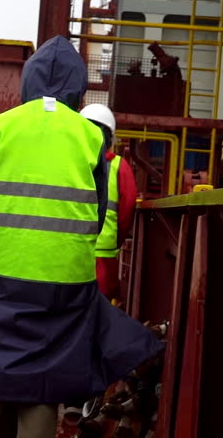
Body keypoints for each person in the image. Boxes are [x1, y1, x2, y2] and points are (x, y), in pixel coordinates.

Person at [0, 35, 163, 438]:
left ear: (28, 82)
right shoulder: (90, 136)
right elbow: (97, 213)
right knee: (45, 372)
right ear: (77, 89)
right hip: (61, 279)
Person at [79, 104, 137, 301]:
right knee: (98, 311)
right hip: (103, 256)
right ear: (110, 137)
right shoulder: (120, 167)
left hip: (67, 252)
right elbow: (127, 210)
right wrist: (116, 241)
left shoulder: (68, 162)